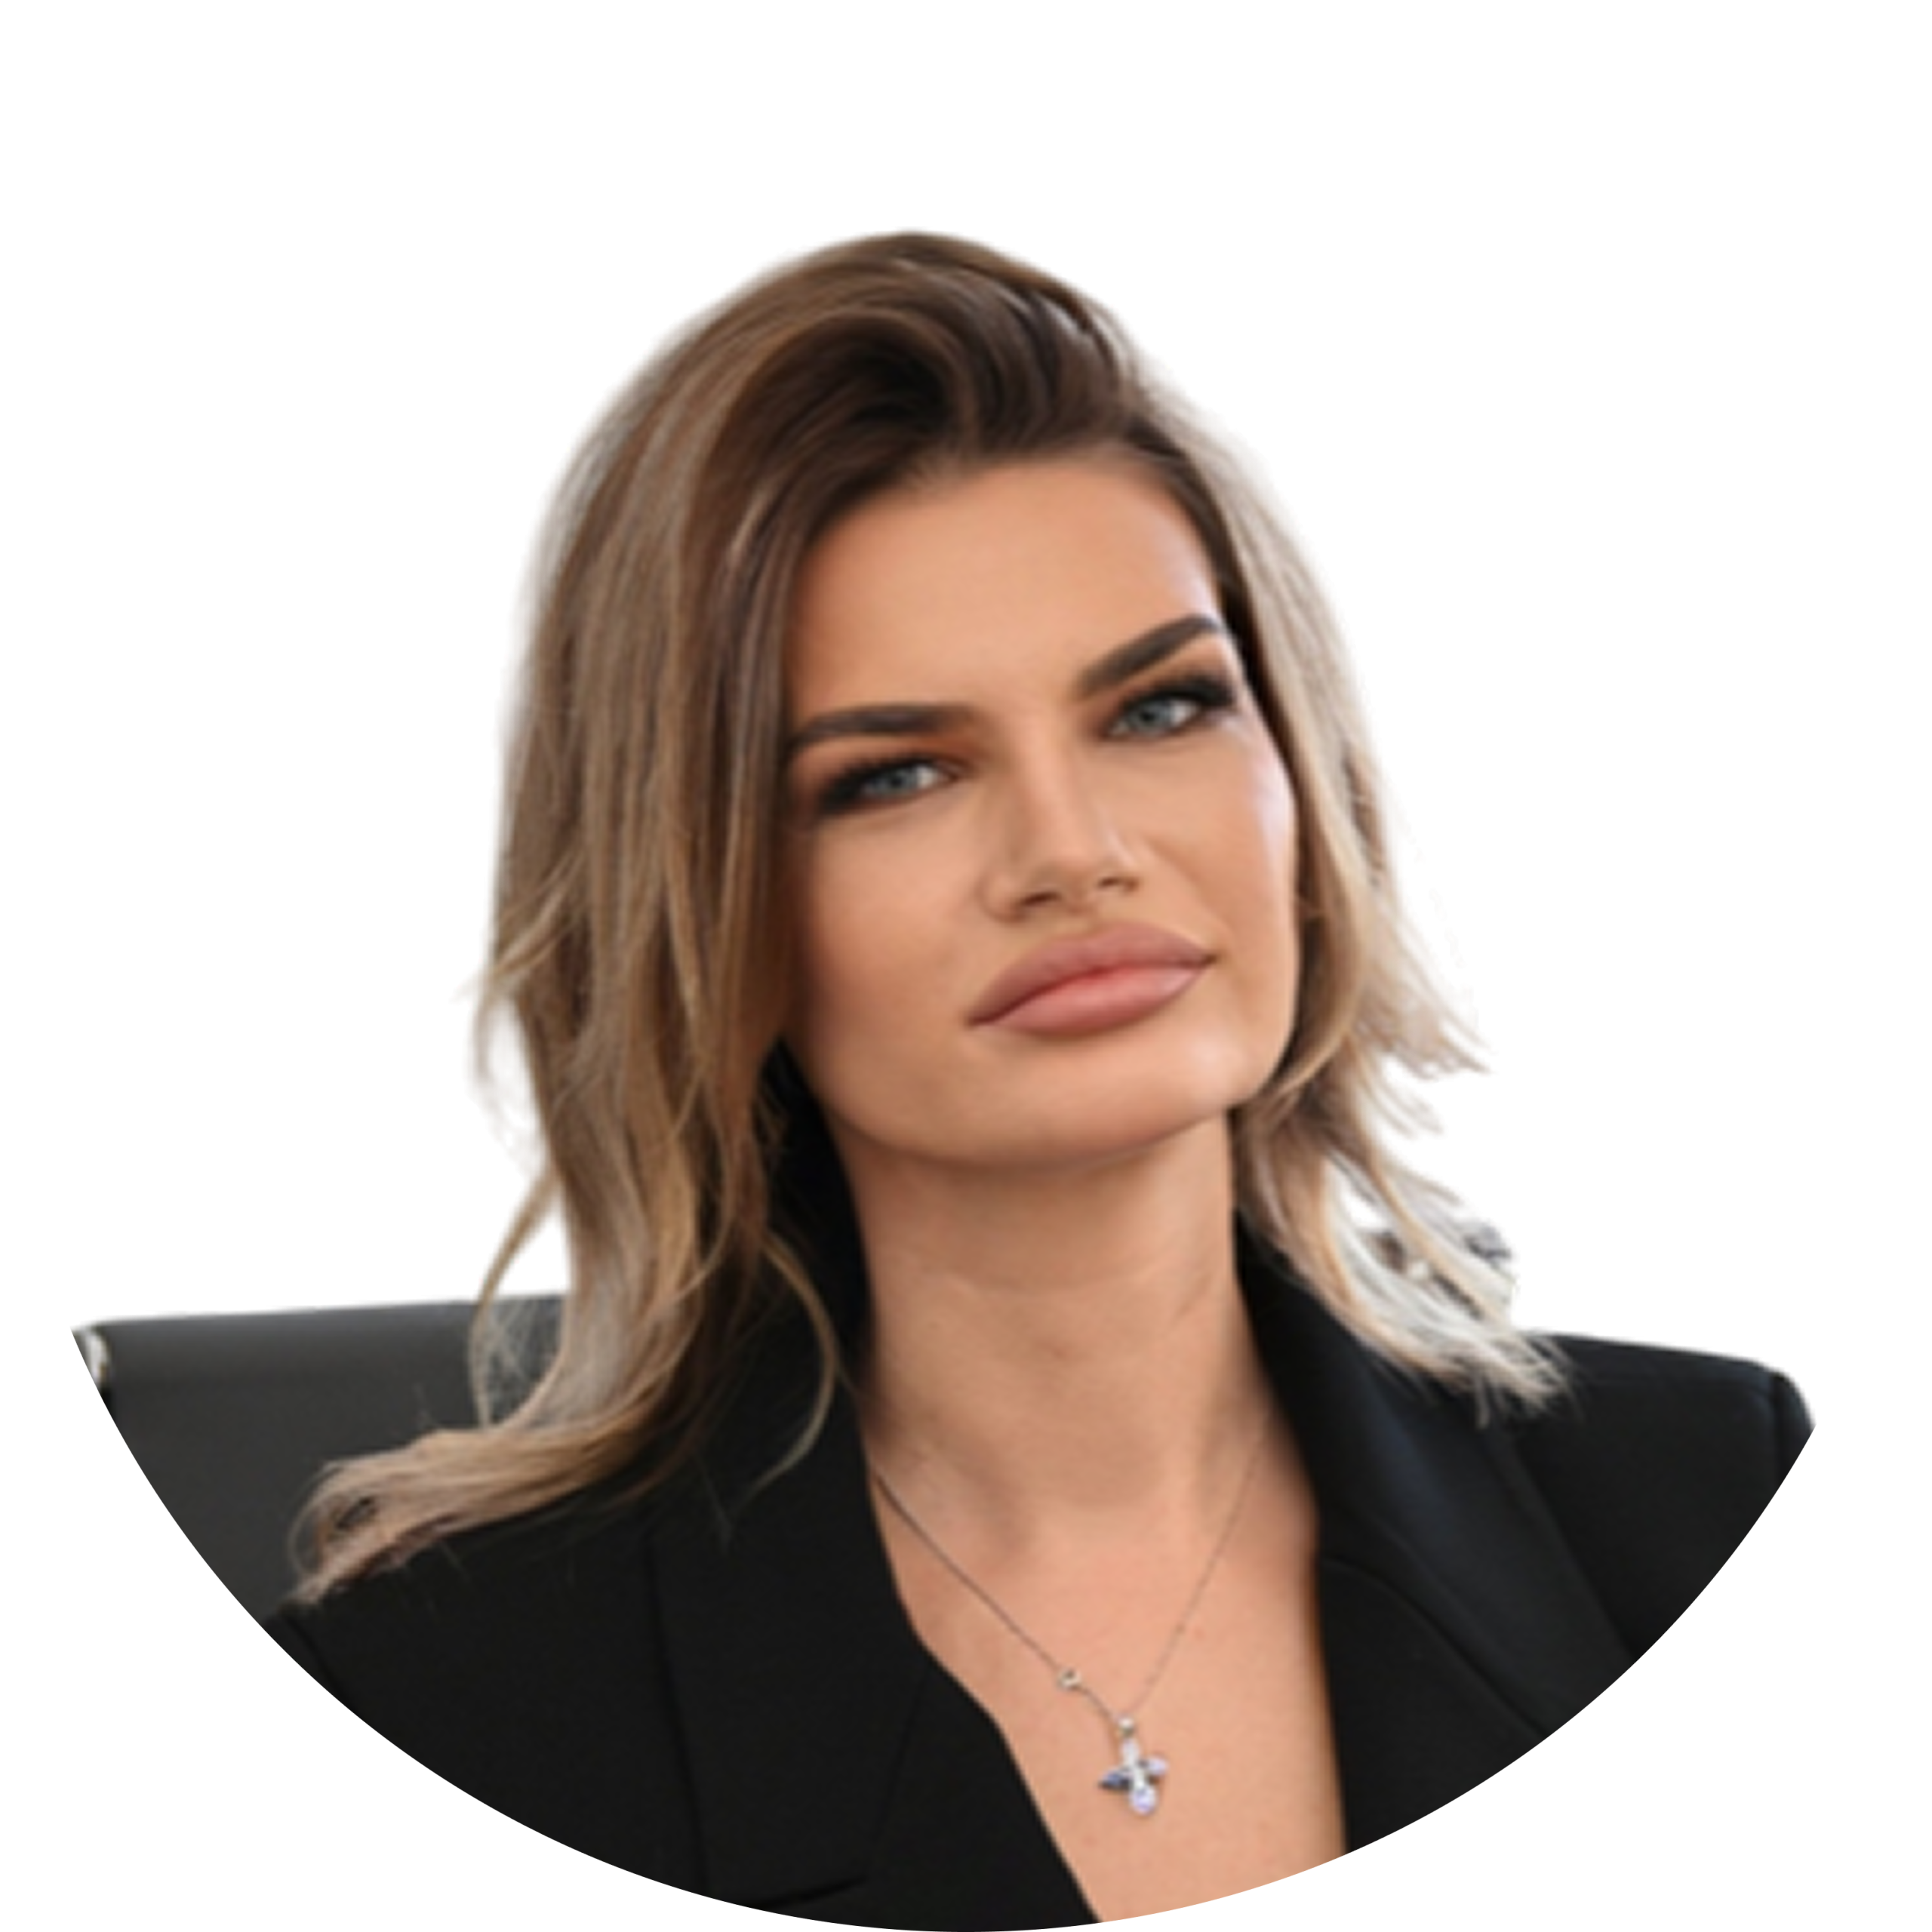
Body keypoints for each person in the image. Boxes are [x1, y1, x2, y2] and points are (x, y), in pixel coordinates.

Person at [258, 230, 1813, 1924]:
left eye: (1159, 709)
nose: (1072, 853)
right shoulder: (444, 1699)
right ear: (702, 905)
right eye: (895, 774)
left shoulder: (1708, 1495)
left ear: (1300, 768)